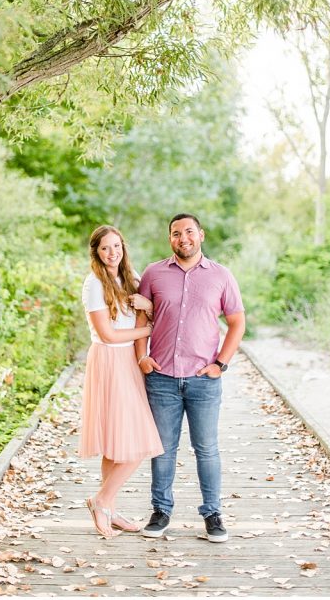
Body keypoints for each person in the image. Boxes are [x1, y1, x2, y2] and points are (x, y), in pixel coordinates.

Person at [134, 213, 246, 543]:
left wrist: (220, 364)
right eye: (175, 233)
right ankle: (161, 510)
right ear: (170, 239)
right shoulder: (153, 273)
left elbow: (237, 322)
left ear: (201, 235)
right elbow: (142, 317)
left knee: (207, 449)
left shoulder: (222, 276)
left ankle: (213, 514)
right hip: (162, 378)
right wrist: (142, 356)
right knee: (163, 450)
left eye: (189, 232)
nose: (183, 238)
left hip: (203, 380)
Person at [79, 225, 164, 538]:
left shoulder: (132, 277)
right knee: (140, 442)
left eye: (116, 246)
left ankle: (109, 508)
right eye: (105, 248)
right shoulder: (94, 284)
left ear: (123, 248)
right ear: (97, 253)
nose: (112, 253)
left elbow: (153, 314)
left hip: (129, 360)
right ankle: (100, 500)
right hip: (109, 360)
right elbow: (108, 333)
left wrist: (150, 308)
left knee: (115, 444)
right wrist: (147, 332)